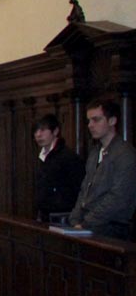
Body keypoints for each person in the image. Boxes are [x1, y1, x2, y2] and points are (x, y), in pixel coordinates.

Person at [68, 99, 136, 239]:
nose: (90, 125)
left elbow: (118, 197)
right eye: (89, 121)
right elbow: (85, 189)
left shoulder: (125, 153)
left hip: (112, 228)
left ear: (112, 121)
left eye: (96, 120)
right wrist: (75, 219)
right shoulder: (95, 152)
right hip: (90, 224)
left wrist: (86, 223)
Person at [33, 114, 85, 222]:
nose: (38, 134)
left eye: (43, 130)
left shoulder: (68, 157)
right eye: (36, 131)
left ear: (55, 131)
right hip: (45, 215)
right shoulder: (42, 156)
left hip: (62, 216)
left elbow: (79, 189)